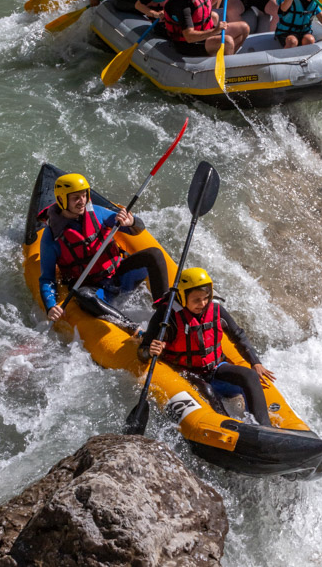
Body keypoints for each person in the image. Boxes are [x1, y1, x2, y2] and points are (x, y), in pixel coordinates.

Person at [137, 268, 276, 426]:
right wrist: (150, 351)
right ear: (182, 297)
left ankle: (264, 427)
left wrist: (255, 362)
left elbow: (238, 335)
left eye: (206, 298)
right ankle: (230, 428)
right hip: (185, 373)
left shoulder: (216, 309)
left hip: (215, 368)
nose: (203, 303)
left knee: (250, 376)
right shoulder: (167, 316)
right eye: (196, 300)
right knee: (208, 392)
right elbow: (142, 352)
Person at [40, 173, 168, 328]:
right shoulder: (51, 237)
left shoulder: (98, 213)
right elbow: (47, 278)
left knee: (154, 254)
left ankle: (165, 314)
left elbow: (137, 230)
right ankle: (131, 327)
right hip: (96, 290)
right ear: (61, 200)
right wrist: (51, 305)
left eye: (84, 195)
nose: (82, 201)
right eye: (75, 198)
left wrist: (131, 221)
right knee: (82, 295)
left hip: (120, 276)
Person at [163, 0, 249, 57]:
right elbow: (189, 36)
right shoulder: (182, 3)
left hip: (204, 34)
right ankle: (226, 66)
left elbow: (208, 2)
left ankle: (223, 57)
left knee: (244, 28)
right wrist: (214, 32)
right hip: (188, 44)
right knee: (228, 41)